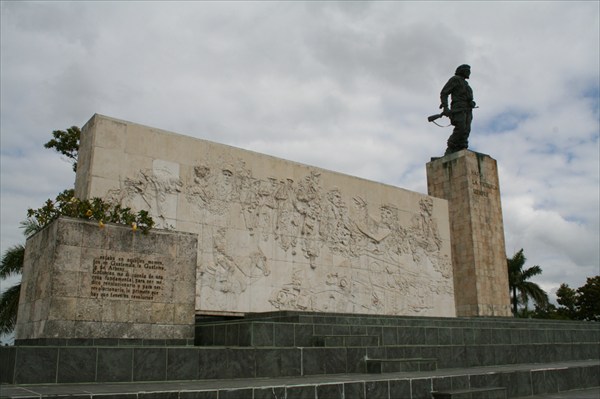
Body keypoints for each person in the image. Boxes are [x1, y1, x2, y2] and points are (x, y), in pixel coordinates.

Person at [439, 64, 476, 155]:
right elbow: (444, 93)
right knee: (461, 127)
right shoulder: (455, 79)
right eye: (467, 70)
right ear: (462, 71)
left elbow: (468, 98)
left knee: (467, 129)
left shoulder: (466, 84)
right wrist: (445, 107)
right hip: (458, 108)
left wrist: (471, 102)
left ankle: (462, 146)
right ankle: (451, 147)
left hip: (467, 109)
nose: (469, 72)